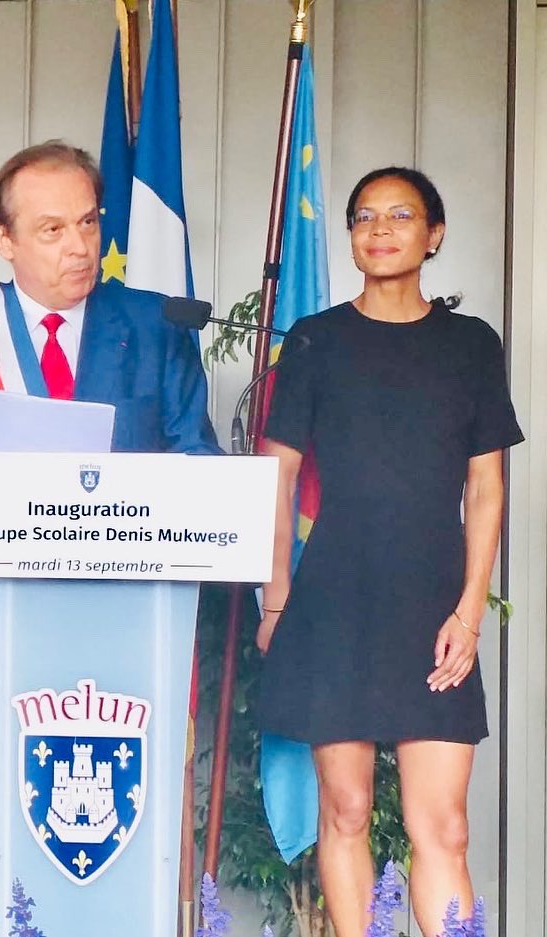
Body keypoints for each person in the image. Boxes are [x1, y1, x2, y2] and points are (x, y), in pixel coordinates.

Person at [0, 140, 220, 935]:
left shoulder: (155, 325)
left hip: (129, 627)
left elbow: (197, 458)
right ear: (3, 239)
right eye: (52, 229)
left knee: (117, 816)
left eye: (90, 223)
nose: (79, 246)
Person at [256, 166, 523, 937]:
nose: (380, 228)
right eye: (365, 216)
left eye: (400, 215)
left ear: (433, 234)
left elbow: (488, 487)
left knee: (443, 826)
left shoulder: (471, 345)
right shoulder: (315, 340)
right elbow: (278, 473)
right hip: (334, 604)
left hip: (433, 608)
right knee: (344, 810)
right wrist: (277, 597)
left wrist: (469, 613)